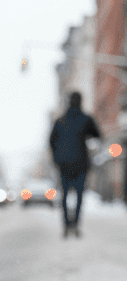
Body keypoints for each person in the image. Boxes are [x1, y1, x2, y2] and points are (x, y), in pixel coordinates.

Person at [48, 91, 99, 238]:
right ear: (80, 101)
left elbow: (51, 142)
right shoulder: (86, 119)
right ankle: (75, 223)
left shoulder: (60, 120)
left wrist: (57, 158)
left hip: (64, 165)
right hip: (81, 164)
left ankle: (66, 225)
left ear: (68, 102)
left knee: (64, 196)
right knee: (79, 196)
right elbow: (97, 134)